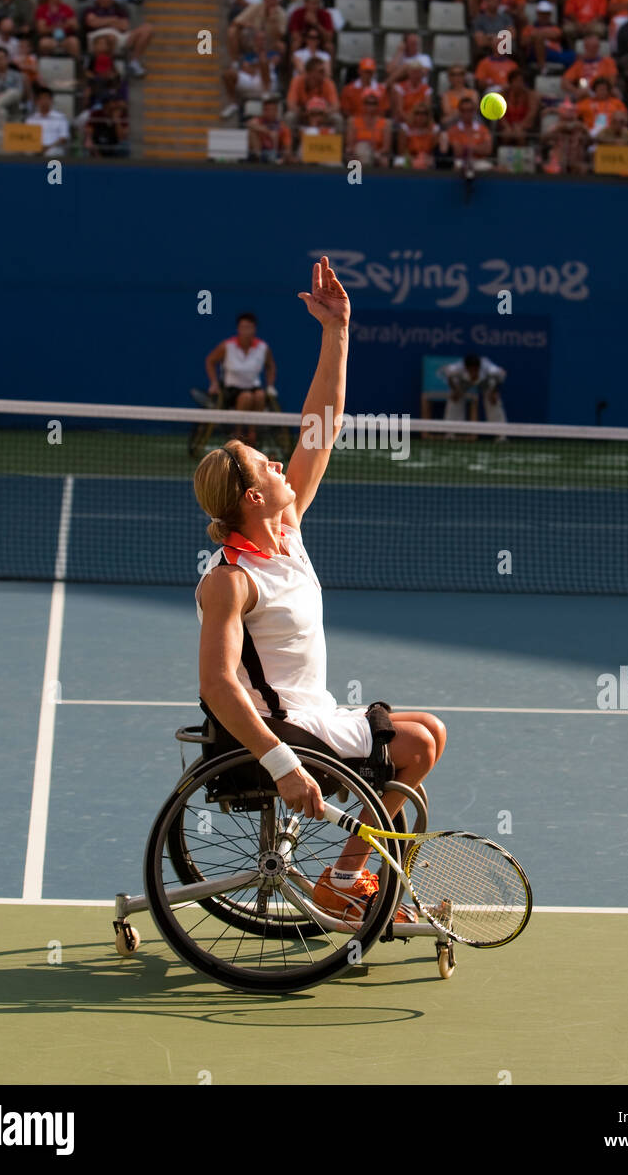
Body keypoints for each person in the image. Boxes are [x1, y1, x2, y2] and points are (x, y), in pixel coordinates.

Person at [193, 257, 445, 924]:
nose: (283, 462)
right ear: (254, 495)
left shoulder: (286, 530)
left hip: (314, 714)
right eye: (268, 465)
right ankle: (344, 877)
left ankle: (345, 873)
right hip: (286, 731)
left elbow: (319, 428)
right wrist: (279, 762)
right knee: (416, 747)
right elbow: (219, 684)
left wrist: (338, 330)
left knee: (429, 734)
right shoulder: (230, 582)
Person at [201, 311, 277, 441]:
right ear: (238, 329)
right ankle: (239, 433)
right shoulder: (227, 346)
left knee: (260, 396)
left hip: (254, 387)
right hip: (231, 390)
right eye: (243, 328)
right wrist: (213, 382)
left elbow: (270, 366)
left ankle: (253, 433)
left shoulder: (263, 348)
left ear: (254, 329)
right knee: (246, 397)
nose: (246, 331)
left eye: (249, 328)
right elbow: (210, 361)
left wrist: (270, 385)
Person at [440, 354, 506, 423]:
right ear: (466, 368)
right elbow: (448, 375)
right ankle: (451, 430)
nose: (473, 372)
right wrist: (455, 390)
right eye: (470, 370)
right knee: (454, 398)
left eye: (475, 369)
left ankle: (500, 430)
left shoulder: (489, 368)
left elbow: (501, 376)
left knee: (493, 400)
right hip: (463, 383)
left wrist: (494, 392)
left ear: (479, 368)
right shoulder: (457, 368)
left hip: (486, 383)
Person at [25, 85, 70, 155]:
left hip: (54, 148)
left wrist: (47, 147)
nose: (44, 101)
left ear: (51, 100)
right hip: (35, 149)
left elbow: (63, 138)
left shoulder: (60, 118)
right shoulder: (31, 119)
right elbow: (27, 138)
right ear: (37, 101)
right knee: (28, 152)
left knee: (50, 153)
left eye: (46, 98)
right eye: (41, 99)